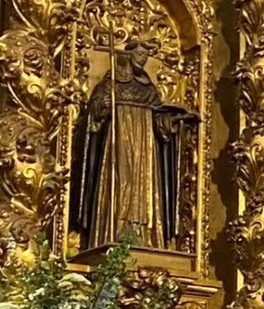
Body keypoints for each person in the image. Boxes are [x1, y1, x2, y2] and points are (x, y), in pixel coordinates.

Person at [71, 39, 186, 249]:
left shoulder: (149, 87)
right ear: (130, 55)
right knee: (121, 181)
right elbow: (93, 115)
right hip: (119, 140)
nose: (142, 59)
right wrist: (102, 106)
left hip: (145, 147)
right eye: (139, 54)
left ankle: (141, 235)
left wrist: (171, 121)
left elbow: (159, 119)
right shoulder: (112, 82)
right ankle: (114, 230)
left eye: (145, 56)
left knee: (143, 187)